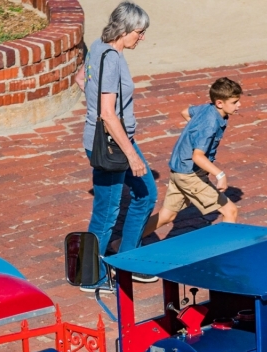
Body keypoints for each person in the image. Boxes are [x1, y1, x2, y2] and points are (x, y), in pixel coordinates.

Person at [78, 2, 158, 286]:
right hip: (111, 144)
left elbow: (80, 79)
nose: (142, 37)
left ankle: (128, 261)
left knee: (146, 194)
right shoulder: (111, 59)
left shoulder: (99, 46)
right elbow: (108, 114)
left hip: (110, 139)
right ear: (124, 30)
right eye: (139, 32)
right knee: (106, 212)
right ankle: (91, 278)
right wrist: (132, 157)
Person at [144, 77, 242, 235]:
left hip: (178, 171)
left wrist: (194, 133)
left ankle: (122, 243)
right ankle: (223, 253)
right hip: (190, 175)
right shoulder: (210, 124)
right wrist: (220, 175)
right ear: (219, 103)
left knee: (166, 216)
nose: (239, 105)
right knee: (230, 211)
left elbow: (185, 112)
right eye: (235, 102)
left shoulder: (206, 108)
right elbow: (198, 156)